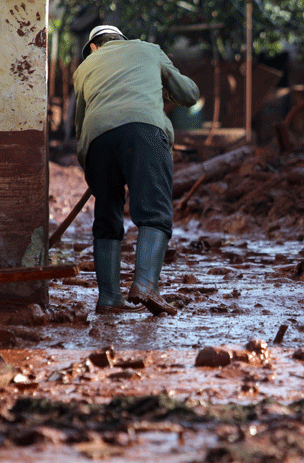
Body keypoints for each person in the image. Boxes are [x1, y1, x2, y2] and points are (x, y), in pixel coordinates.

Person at [74, 25, 200, 315]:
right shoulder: (148, 50)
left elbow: (81, 126)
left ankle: (108, 298)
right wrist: (165, 74)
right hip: (144, 133)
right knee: (154, 211)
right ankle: (145, 284)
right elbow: (190, 94)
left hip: (97, 141)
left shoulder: (84, 68)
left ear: (94, 47)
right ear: (122, 39)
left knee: (107, 217)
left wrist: (92, 166)